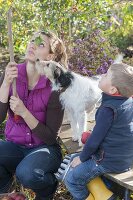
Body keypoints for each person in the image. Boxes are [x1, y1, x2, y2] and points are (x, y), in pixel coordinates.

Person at [0, 30, 67, 200]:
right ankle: (8, 193)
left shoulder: (54, 86)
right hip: (16, 146)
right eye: (32, 40)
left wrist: (24, 112)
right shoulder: (12, 73)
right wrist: (5, 84)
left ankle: (48, 188)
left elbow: (51, 137)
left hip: (44, 148)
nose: (33, 45)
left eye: (41, 44)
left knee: (27, 173)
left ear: (50, 57)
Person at [64, 62, 133, 200]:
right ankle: (105, 193)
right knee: (71, 159)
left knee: (71, 180)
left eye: (107, 74)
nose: (102, 74)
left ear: (113, 90)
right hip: (124, 159)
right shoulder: (128, 102)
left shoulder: (108, 110)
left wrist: (82, 158)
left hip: (107, 160)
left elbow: (94, 141)